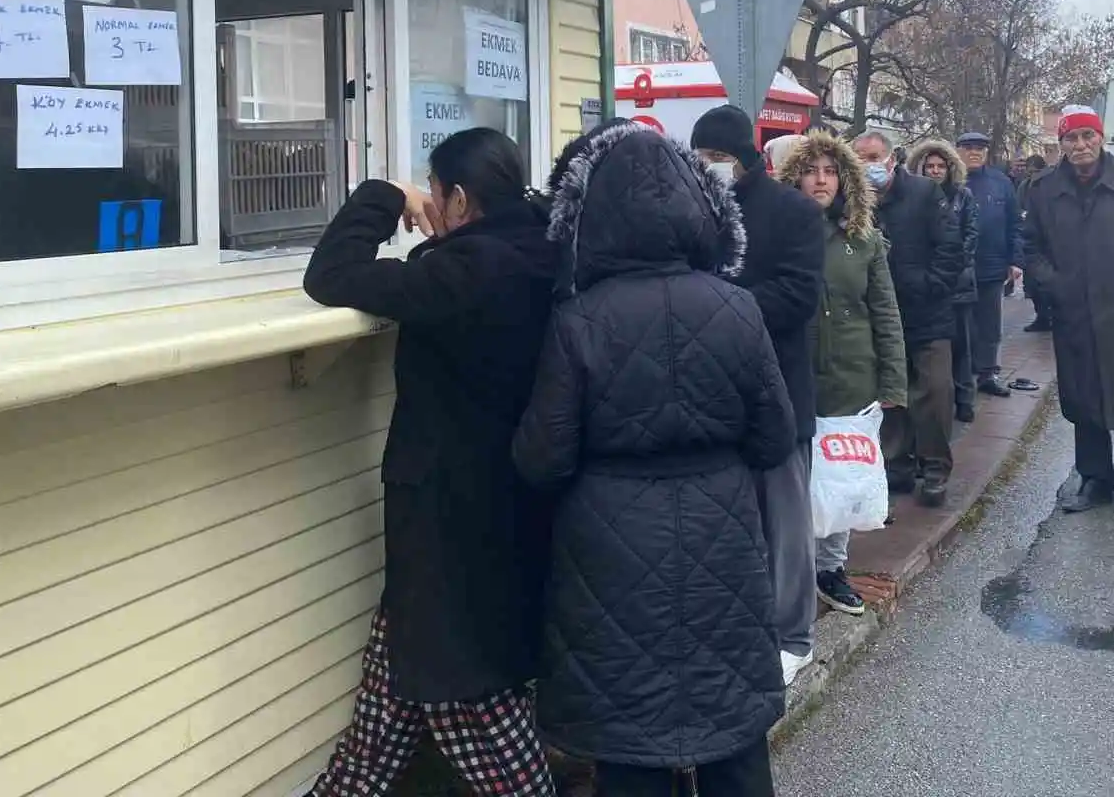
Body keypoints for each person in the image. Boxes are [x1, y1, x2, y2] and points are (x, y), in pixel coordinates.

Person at [513, 122, 795, 797]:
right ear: (700, 210)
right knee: (732, 731)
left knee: (628, 733)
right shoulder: (737, 308)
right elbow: (774, 436)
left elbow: (543, 458)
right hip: (720, 532)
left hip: (609, 546)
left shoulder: (578, 318)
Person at [302, 128, 559, 797]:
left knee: (461, 678)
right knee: (399, 671)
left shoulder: (463, 272)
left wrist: (385, 195)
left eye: (434, 192)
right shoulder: (540, 249)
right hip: (510, 498)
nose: (428, 202)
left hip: (448, 514)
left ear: (461, 198)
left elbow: (329, 274)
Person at [690, 104, 824, 686]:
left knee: (786, 522)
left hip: (779, 389)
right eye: (700, 159)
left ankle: (794, 634)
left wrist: (718, 309)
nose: (708, 168)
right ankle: (743, 626)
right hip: (713, 394)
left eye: (716, 159)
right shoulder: (695, 209)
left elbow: (796, 296)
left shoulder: (793, 211)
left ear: (743, 157)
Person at [777, 131, 908, 617]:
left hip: (853, 378)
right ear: (795, 176)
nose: (821, 180)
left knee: (843, 480)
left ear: (846, 179)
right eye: (811, 170)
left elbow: (886, 313)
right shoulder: (780, 234)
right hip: (795, 378)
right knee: (798, 482)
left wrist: (893, 380)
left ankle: (831, 569)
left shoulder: (863, 239)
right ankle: (793, 571)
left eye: (831, 171)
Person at [1023, 106, 1114, 520]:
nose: (1081, 145)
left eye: (1088, 136)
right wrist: (1054, 283)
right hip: (1073, 312)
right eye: (1072, 138)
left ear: (1101, 138)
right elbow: (1031, 247)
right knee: (1083, 399)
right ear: (1062, 144)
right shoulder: (1044, 188)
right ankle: (1095, 480)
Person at [852, 130, 963, 507]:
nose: (869, 166)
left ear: (892, 159)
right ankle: (896, 464)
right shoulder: (854, 201)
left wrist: (931, 285)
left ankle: (934, 469)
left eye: (874, 157)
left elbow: (951, 247)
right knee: (890, 396)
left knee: (934, 392)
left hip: (927, 313)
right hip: (880, 316)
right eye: (860, 158)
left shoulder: (923, 193)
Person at [908, 141, 981, 422]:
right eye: (930, 166)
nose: (936, 171)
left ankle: (964, 398)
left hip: (958, 282)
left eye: (940, 166)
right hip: (927, 283)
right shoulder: (913, 197)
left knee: (962, 345)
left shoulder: (963, 196)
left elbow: (971, 235)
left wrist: (950, 269)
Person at [955, 131, 1023, 398]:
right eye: (969, 148)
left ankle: (988, 373)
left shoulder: (1000, 182)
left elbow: (1015, 223)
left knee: (990, 323)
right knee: (961, 323)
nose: (974, 153)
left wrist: (1016, 260)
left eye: (980, 149)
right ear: (958, 150)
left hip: (992, 265)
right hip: (957, 268)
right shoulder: (949, 179)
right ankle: (961, 374)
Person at [1019, 155, 1054, 332]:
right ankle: (1041, 317)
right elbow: (1018, 207)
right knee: (1032, 286)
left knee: (1046, 286)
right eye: (1030, 171)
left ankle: (1050, 316)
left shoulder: (1049, 185)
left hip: (1046, 243)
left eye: (1036, 171)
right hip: (1028, 239)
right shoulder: (1024, 186)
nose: (1032, 175)